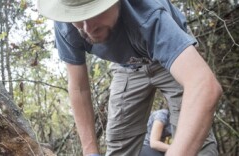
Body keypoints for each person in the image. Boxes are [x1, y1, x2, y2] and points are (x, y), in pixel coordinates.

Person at [37, 0, 222, 155]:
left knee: (196, 141)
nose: (87, 28)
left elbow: (203, 85)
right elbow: (79, 88)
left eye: (94, 13)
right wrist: (91, 152)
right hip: (128, 66)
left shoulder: (148, 13)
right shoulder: (66, 24)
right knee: (120, 143)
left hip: (173, 61)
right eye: (79, 17)